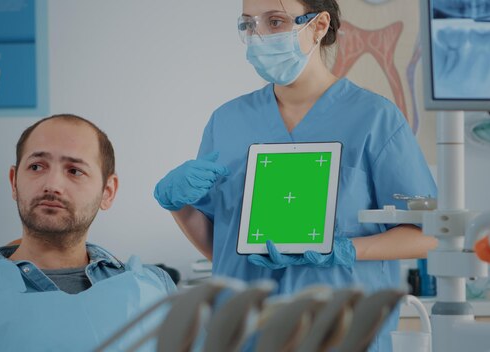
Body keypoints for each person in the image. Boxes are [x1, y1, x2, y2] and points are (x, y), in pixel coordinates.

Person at [153, 0, 437, 351]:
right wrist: (178, 205)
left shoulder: (375, 118)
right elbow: (223, 247)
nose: (259, 36)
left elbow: (428, 235)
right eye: (248, 24)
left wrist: (344, 250)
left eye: (275, 22)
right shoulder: (227, 122)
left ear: (319, 26)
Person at [0, 114, 176, 352]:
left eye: (75, 171)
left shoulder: (154, 290)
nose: (52, 184)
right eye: (36, 167)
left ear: (108, 191)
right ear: (14, 182)